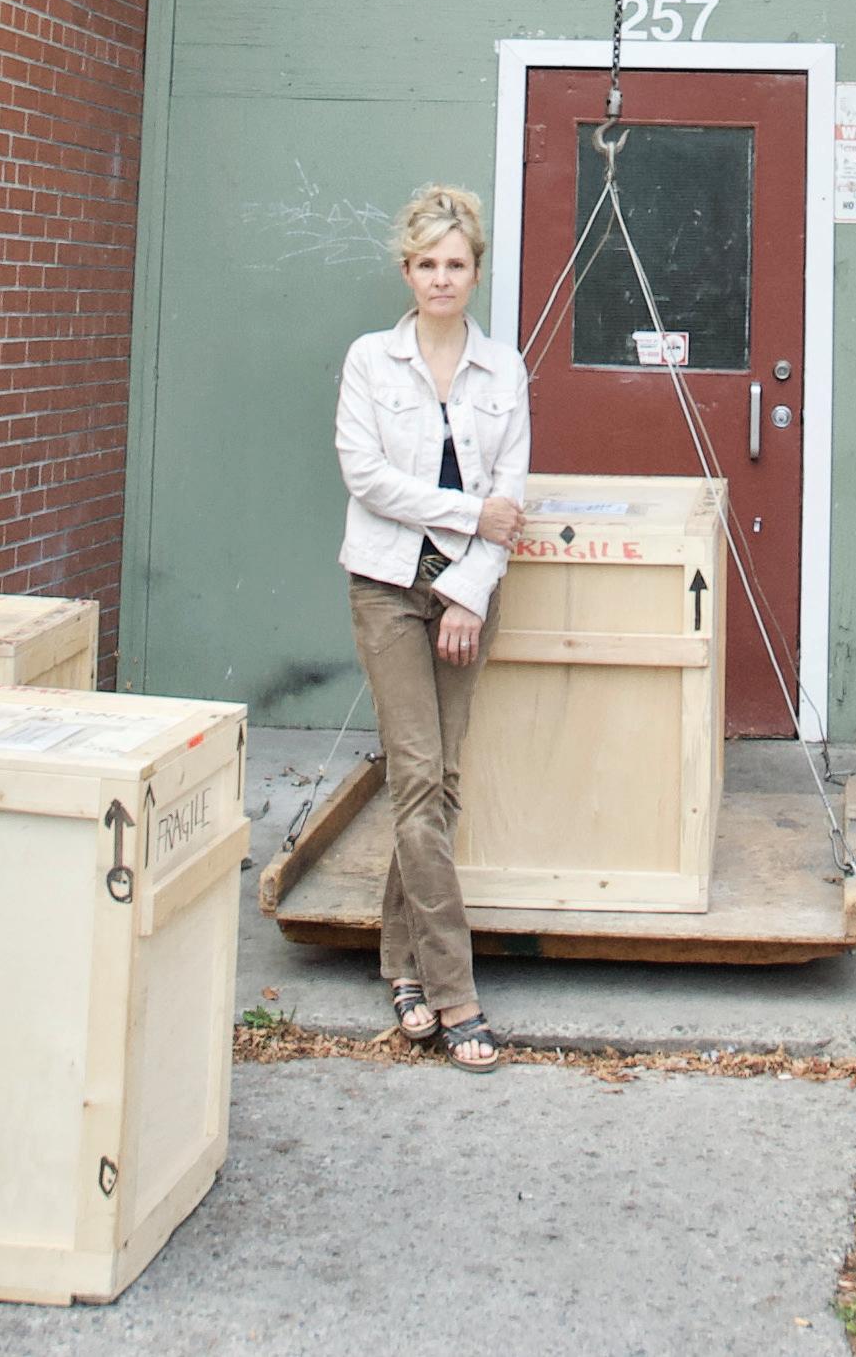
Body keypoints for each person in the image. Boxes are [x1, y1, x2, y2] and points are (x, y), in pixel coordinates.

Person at [336, 181, 529, 1071]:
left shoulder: (503, 370)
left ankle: (401, 965)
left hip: (464, 593)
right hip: (385, 584)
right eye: (426, 264)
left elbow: (511, 497)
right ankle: (456, 993)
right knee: (416, 776)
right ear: (406, 272)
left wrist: (469, 592)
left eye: (455, 264)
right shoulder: (370, 361)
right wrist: (467, 512)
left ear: (475, 272)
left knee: (439, 782)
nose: (441, 278)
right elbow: (367, 478)